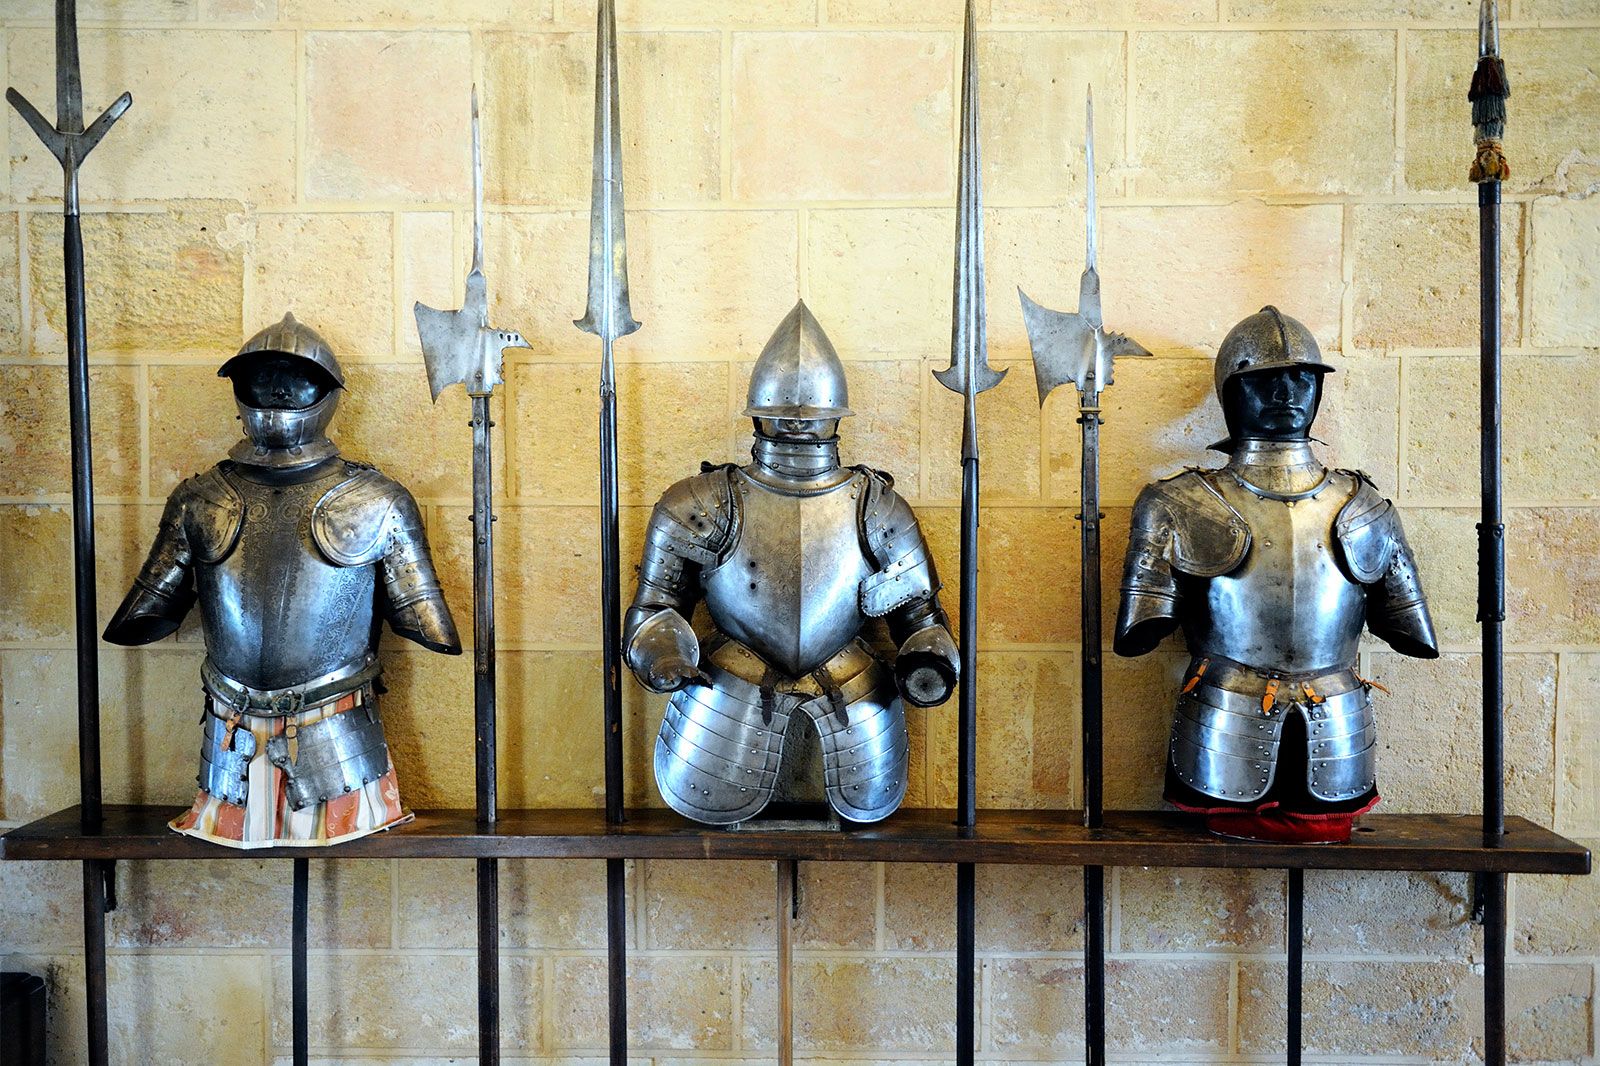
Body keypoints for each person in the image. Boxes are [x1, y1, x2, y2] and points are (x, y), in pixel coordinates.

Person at [105, 313, 460, 848]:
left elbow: (428, 622)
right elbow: (144, 614)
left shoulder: (375, 501)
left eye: (292, 385)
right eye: (262, 383)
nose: (274, 397)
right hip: (230, 741)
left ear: (327, 395)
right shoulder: (201, 498)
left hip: (338, 736)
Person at [624, 301, 959, 826]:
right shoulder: (702, 501)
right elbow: (655, 608)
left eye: (811, 418)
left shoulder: (878, 506)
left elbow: (921, 621)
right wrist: (663, 652)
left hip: (855, 692)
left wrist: (930, 663)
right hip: (726, 693)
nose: (799, 426)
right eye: (787, 416)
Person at [1114, 307, 1438, 843]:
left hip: (1338, 725)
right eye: (1264, 379)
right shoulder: (1179, 503)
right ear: (1231, 392)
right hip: (1222, 722)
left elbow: (1412, 630)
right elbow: (1138, 631)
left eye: (1301, 377)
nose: (1287, 392)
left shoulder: (1362, 506)